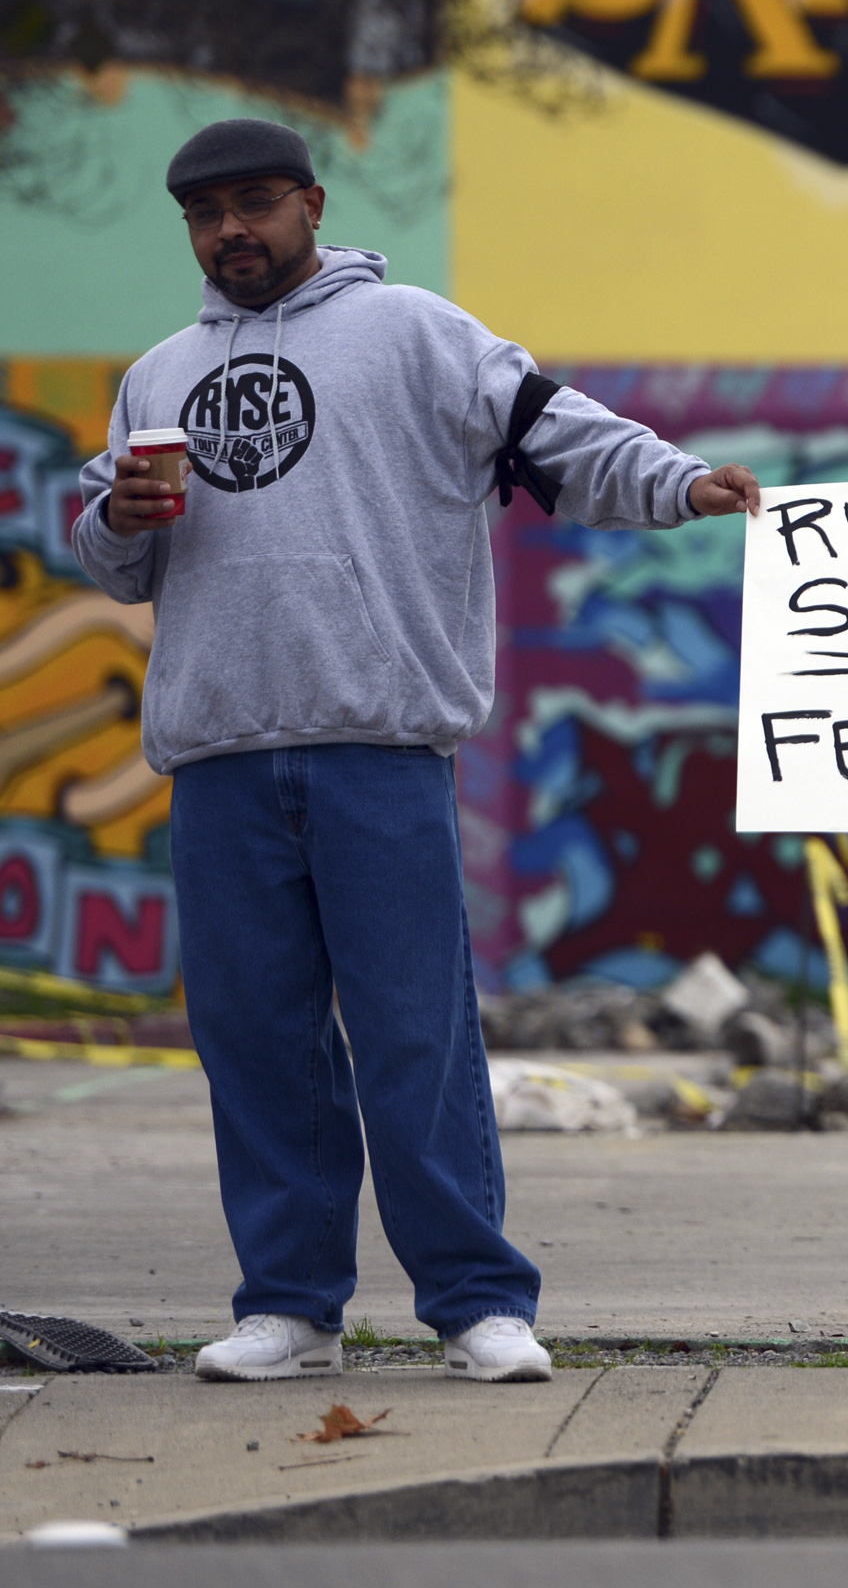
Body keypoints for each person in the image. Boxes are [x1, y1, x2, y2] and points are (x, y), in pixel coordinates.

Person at [73, 118, 760, 1383]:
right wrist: (113, 510)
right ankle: (290, 1305)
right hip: (218, 753)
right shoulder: (158, 374)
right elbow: (112, 560)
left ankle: (476, 1303)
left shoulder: (419, 333)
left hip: (379, 743)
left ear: (311, 203)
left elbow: (559, 433)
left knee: (413, 1033)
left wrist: (681, 485)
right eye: (206, 213)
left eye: (257, 203)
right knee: (258, 1040)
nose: (233, 230)